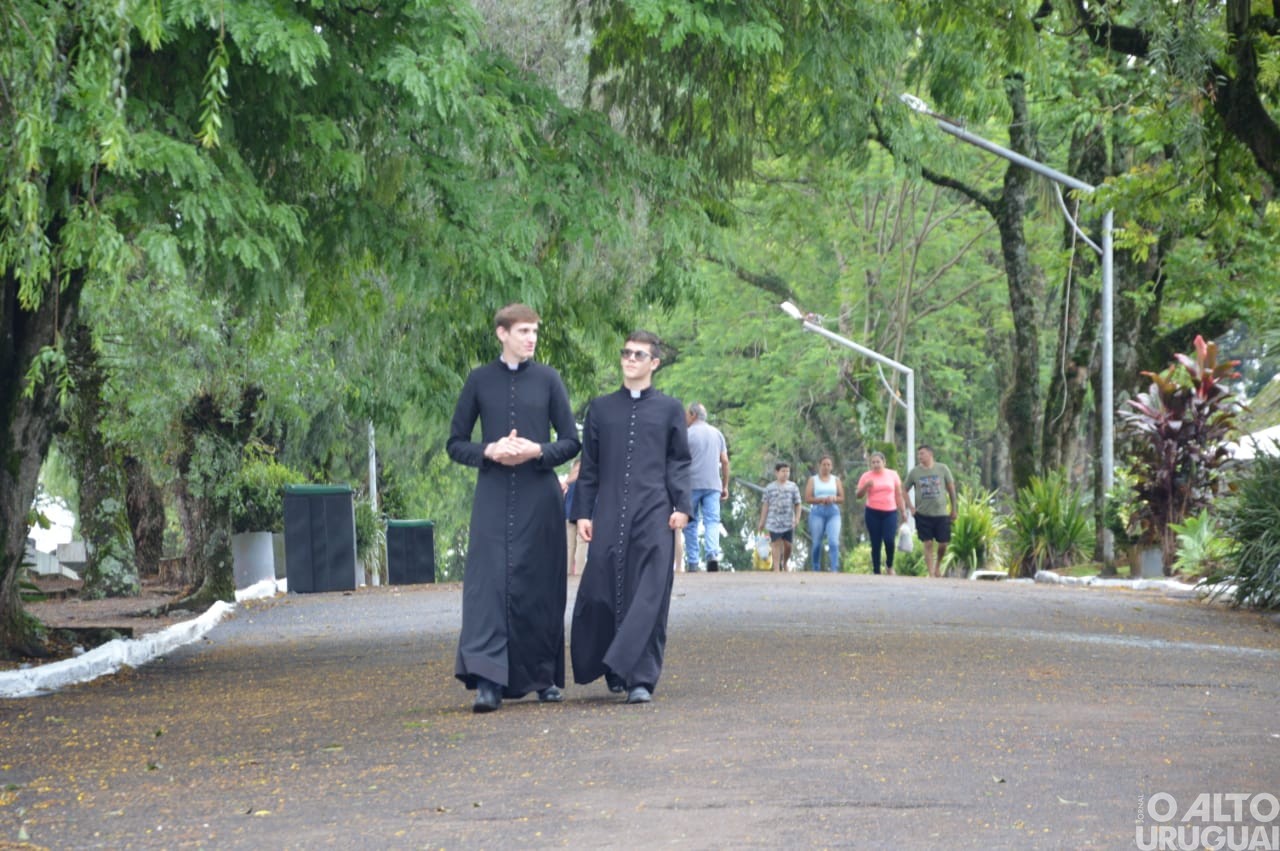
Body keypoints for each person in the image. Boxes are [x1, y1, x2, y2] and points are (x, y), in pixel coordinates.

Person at [447, 303, 581, 713]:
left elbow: (572, 441)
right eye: (523, 331)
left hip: (538, 495)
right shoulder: (478, 380)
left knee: (539, 584)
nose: (531, 338)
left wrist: (536, 450)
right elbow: (455, 443)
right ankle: (489, 681)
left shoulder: (548, 379)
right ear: (502, 334)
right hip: (492, 495)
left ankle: (543, 678)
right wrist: (488, 449)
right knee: (488, 587)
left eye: (535, 331)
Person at [570, 331, 691, 705]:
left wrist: (682, 507)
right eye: (626, 353)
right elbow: (588, 468)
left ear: (654, 363)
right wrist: (582, 514)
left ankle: (641, 677)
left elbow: (679, 461)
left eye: (639, 355)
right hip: (608, 512)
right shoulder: (601, 409)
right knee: (602, 591)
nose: (630, 359)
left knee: (650, 593)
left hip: (655, 510)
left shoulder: (670, 409)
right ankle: (615, 666)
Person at [683, 402, 730, 572]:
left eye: (686, 415)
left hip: (691, 485)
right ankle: (712, 556)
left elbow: (678, 462)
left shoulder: (686, 434)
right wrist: (725, 485)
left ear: (693, 414)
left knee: (690, 523)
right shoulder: (717, 434)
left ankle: (693, 562)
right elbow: (724, 461)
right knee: (712, 521)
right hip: (713, 485)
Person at [904, 445, 958, 578]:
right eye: (918, 454)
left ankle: (937, 565)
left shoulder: (942, 469)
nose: (919, 457)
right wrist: (910, 507)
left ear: (930, 454)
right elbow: (903, 490)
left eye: (922, 454)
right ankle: (931, 573)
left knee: (943, 543)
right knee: (927, 543)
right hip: (923, 514)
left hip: (941, 513)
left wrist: (954, 508)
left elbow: (951, 489)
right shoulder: (915, 472)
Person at [855, 451, 906, 576]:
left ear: (884, 462)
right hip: (872, 512)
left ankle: (889, 565)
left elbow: (898, 494)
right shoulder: (866, 476)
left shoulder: (892, 475)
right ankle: (876, 570)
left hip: (890, 512)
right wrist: (866, 486)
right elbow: (858, 495)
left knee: (889, 540)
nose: (876, 464)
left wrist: (903, 511)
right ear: (870, 464)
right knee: (875, 542)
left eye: (878, 462)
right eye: (873, 462)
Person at [757, 462, 802, 572]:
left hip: (788, 521)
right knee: (775, 544)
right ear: (776, 472)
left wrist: (797, 518)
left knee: (788, 545)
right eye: (783, 471)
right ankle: (776, 568)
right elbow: (765, 505)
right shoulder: (769, 488)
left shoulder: (793, 487)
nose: (785, 474)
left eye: (787, 471)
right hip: (773, 521)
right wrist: (762, 522)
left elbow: (798, 504)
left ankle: (785, 562)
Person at [804, 455, 844, 572]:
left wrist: (834, 499)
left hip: (833, 512)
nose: (826, 467)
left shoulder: (836, 480)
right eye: (824, 464)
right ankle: (815, 568)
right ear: (819, 465)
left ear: (831, 467)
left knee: (833, 541)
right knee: (817, 542)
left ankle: (834, 569)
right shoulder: (813, 480)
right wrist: (821, 500)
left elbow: (842, 498)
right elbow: (807, 498)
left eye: (828, 465)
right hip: (817, 511)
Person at [563, 459, 588, 576]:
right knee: (582, 543)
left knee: (569, 546)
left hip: (567, 513)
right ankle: (579, 573)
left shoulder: (568, 481)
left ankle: (567, 573)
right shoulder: (586, 481)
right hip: (582, 514)